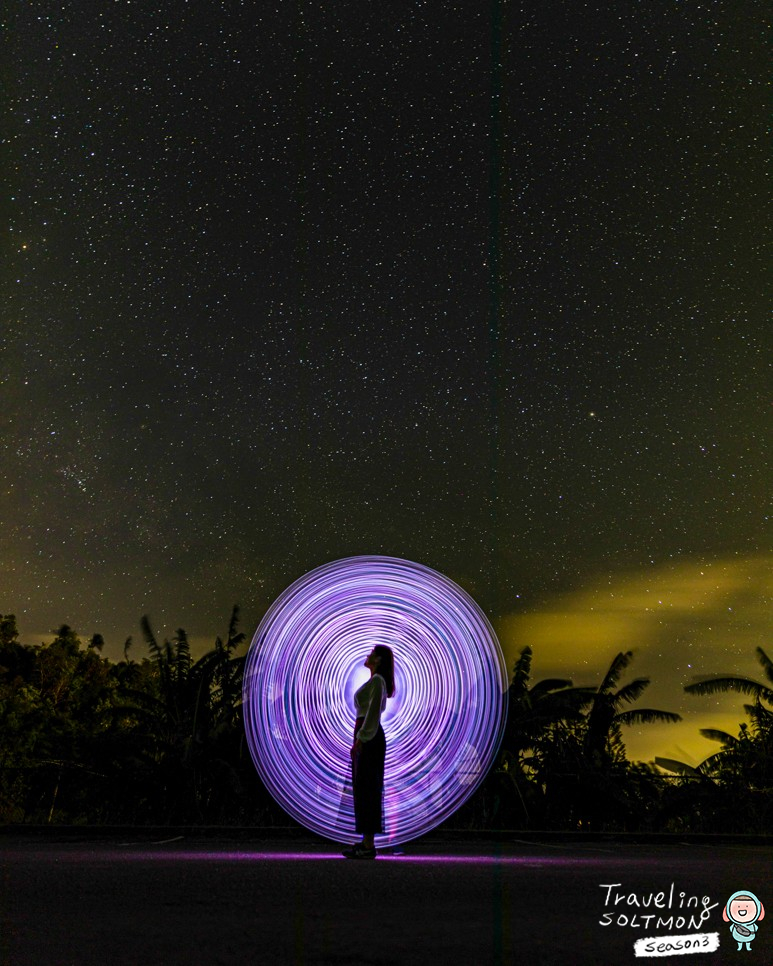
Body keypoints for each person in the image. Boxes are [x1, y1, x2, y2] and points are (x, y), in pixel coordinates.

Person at [343, 644, 395, 859]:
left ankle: (368, 845)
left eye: (372, 653)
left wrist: (361, 739)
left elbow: (373, 713)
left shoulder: (377, 682)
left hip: (369, 736)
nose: (368, 655)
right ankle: (366, 842)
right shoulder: (375, 681)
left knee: (368, 787)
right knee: (364, 787)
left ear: (379, 660)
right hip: (366, 734)